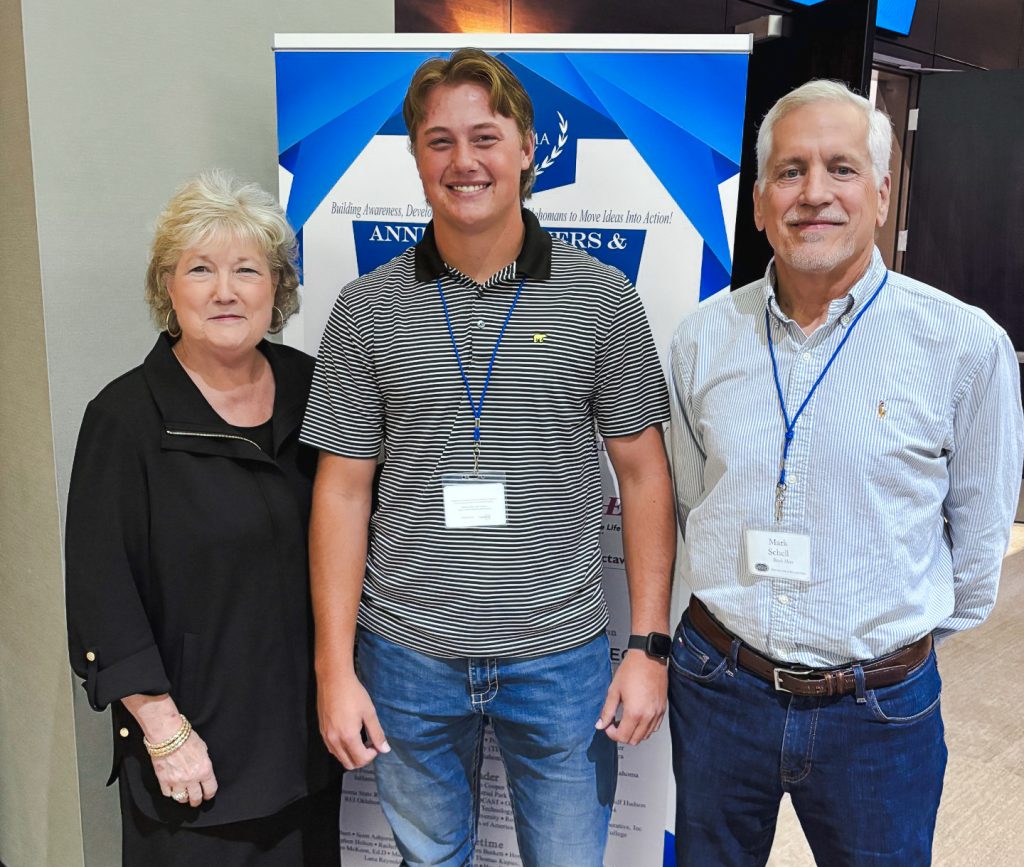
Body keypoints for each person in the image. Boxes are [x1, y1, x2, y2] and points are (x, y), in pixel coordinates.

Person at [302, 48, 675, 866]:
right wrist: (334, 667)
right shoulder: (365, 310)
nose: (463, 161)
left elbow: (646, 475)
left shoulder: (603, 298)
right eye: (438, 141)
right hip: (405, 654)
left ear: (527, 148)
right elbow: (340, 492)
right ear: (414, 158)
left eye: (484, 136)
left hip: (563, 656)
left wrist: (648, 648)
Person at [668, 78, 1024, 866]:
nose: (814, 194)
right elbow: (697, 501)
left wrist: (887, 640)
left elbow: (978, 541)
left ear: (883, 191)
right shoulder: (699, 341)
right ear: (759, 201)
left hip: (880, 711)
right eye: (790, 171)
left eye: (841, 168)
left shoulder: (964, 345)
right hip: (720, 687)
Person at [65, 170, 339, 866]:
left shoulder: (314, 390)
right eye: (201, 269)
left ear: (276, 286)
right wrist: (164, 731)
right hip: (194, 764)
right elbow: (102, 594)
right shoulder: (124, 419)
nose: (226, 290)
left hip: (310, 754)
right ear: (167, 286)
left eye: (247, 269)